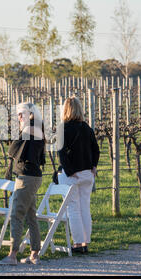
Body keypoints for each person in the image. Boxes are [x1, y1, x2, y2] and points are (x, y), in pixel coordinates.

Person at [0, 102, 45, 266]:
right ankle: (34, 254)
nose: (18, 117)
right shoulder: (38, 127)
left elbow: (13, 150)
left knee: (17, 214)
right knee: (31, 215)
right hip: (35, 176)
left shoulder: (29, 129)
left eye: (21, 114)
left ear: (30, 114)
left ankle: (12, 255)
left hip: (26, 177)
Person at [57, 97, 99, 254]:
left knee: (73, 209)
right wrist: (94, 167)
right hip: (88, 174)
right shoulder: (87, 128)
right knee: (84, 208)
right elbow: (96, 149)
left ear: (65, 109)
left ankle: (78, 244)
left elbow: (61, 153)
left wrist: (69, 171)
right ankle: (85, 243)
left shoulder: (63, 128)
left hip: (72, 175)